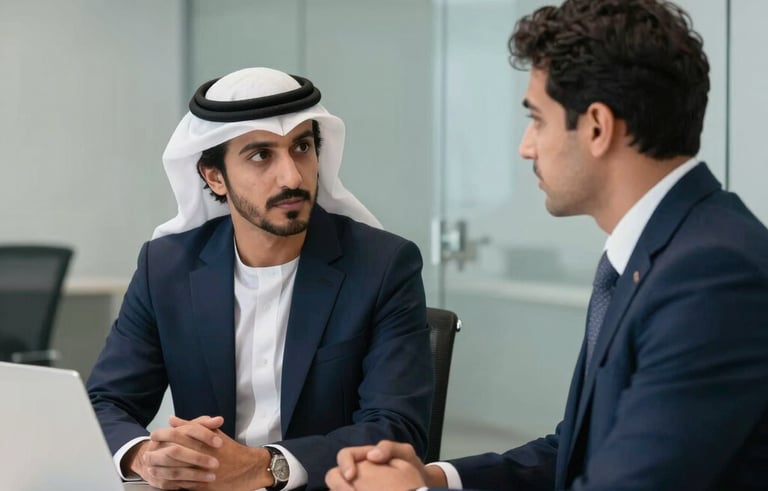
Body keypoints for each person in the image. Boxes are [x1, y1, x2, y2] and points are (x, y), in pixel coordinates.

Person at [325, 1, 768, 490]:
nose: (525, 145)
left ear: (597, 127)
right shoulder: (664, 252)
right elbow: (577, 450)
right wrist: (434, 480)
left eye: (537, 119)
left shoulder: (711, 275)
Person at [86, 67, 434, 491]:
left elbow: (397, 430)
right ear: (214, 176)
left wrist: (264, 467)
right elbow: (105, 403)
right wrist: (146, 456)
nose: (291, 176)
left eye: (302, 148)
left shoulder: (382, 266)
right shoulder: (167, 268)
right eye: (260, 155)